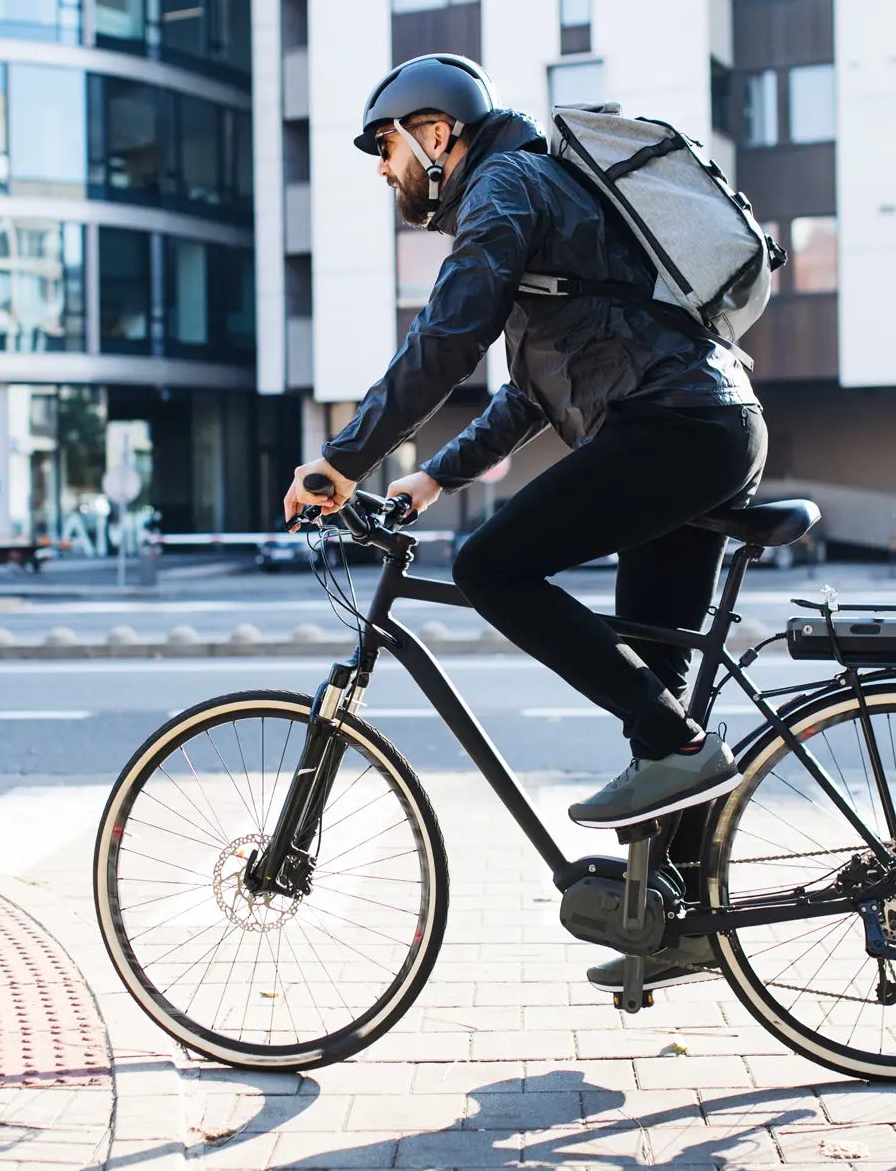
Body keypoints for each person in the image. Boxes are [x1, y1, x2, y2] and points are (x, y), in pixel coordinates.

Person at [281, 54, 767, 989]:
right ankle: (679, 922)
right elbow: (530, 392)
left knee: (491, 567)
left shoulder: (503, 186)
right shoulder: (537, 193)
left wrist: (343, 458)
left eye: (386, 147)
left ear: (436, 132)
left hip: (675, 427)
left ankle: (681, 750)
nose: (385, 170)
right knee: (652, 680)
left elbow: (449, 333)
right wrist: (427, 479)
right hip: (703, 425)